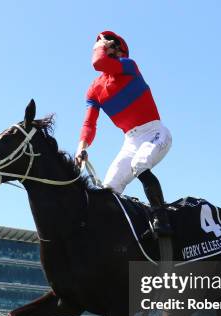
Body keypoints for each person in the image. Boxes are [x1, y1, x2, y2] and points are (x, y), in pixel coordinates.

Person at [76, 30, 174, 248]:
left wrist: (99, 46)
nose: (108, 50)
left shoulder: (129, 66)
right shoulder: (94, 90)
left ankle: (161, 217)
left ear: (119, 50)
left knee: (140, 164)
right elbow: (89, 124)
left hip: (155, 132)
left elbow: (99, 63)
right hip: (130, 141)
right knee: (108, 190)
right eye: (105, 46)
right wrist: (81, 147)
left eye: (111, 46)